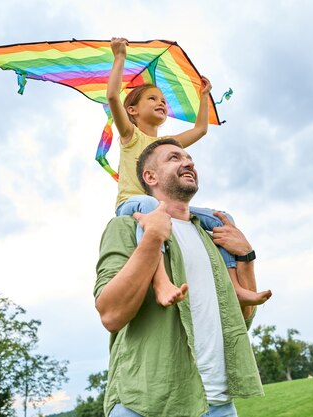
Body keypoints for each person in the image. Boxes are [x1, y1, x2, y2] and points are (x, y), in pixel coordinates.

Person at [95, 138, 266, 417]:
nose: (188, 162)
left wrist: (246, 257)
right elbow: (111, 315)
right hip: (147, 404)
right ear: (150, 177)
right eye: (174, 158)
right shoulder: (124, 227)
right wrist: (152, 237)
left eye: (189, 158)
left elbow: (242, 320)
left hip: (218, 404)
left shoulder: (212, 236)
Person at [107, 37, 271, 308]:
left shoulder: (165, 145)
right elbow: (113, 96)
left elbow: (200, 130)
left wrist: (203, 96)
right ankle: (160, 281)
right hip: (133, 205)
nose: (161, 103)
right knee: (150, 204)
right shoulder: (130, 135)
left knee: (221, 219)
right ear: (132, 110)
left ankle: (234, 287)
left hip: (163, 206)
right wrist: (120, 57)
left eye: (163, 100)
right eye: (152, 98)